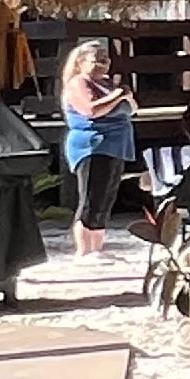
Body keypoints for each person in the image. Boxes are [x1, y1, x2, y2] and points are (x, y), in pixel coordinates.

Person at [59, 38, 137, 256]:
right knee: (90, 199)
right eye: (97, 60)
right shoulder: (78, 83)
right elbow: (91, 110)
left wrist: (124, 97)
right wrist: (118, 96)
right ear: (81, 62)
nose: (103, 64)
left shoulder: (108, 83)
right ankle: (83, 250)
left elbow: (132, 108)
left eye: (106, 59)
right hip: (93, 145)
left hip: (116, 145)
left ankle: (97, 248)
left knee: (106, 199)